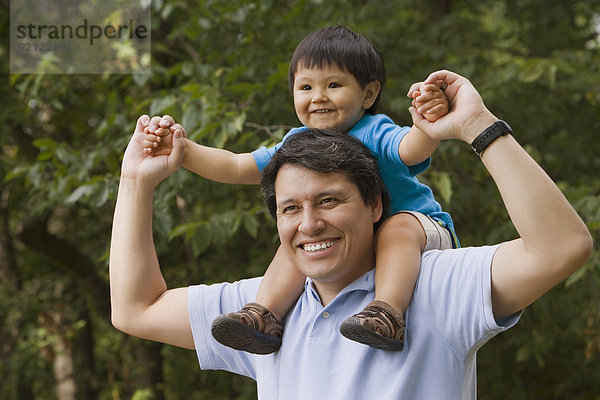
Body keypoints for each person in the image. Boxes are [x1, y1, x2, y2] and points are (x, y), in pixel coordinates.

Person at [110, 69, 592, 399]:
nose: (308, 223)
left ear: (375, 204)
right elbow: (136, 309)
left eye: (329, 201)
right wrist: (135, 180)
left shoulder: (438, 288)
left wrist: (476, 126)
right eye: (290, 208)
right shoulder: (264, 310)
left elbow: (561, 248)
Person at [142, 25, 456, 353]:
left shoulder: (375, 131)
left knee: (396, 226)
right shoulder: (297, 144)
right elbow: (237, 166)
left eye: (334, 84)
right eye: (305, 86)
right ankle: (263, 315)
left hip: (420, 233)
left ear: (368, 93)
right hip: (355, 241)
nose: (318, 96)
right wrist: (182, 149)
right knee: (298, 236)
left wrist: (428, 122)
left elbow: (412, 149)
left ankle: (387, 313)